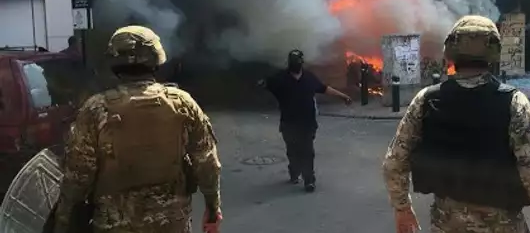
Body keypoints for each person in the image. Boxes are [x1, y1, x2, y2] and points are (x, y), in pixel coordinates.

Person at [382, 15, 530, 233]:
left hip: (446, 225)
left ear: (450, 50)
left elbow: (394, 162)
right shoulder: (513, 103)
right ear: (493, 52)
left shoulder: (426, 100)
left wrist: (402, 209)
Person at [52, 25, 223, 233]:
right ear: (156, 58)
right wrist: (213, 209)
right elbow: (207, 163)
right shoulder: (183, 103)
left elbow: (78, 177)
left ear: (114, 62)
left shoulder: (96, 109)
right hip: (171, 224)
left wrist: (62, 222)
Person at [259, 49, 352, 192]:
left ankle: (309, 180)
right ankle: (294, 170)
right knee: (293, 151)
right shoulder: (280, 78)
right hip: (289, 123)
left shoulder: (309, 78)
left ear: (302, 63)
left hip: (308, 123)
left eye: (297, 62)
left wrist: (343, 96)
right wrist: (262, 83)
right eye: (293, 62)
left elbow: (324, 89)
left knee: (308, 151)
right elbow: (266, 83)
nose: (295, 65)